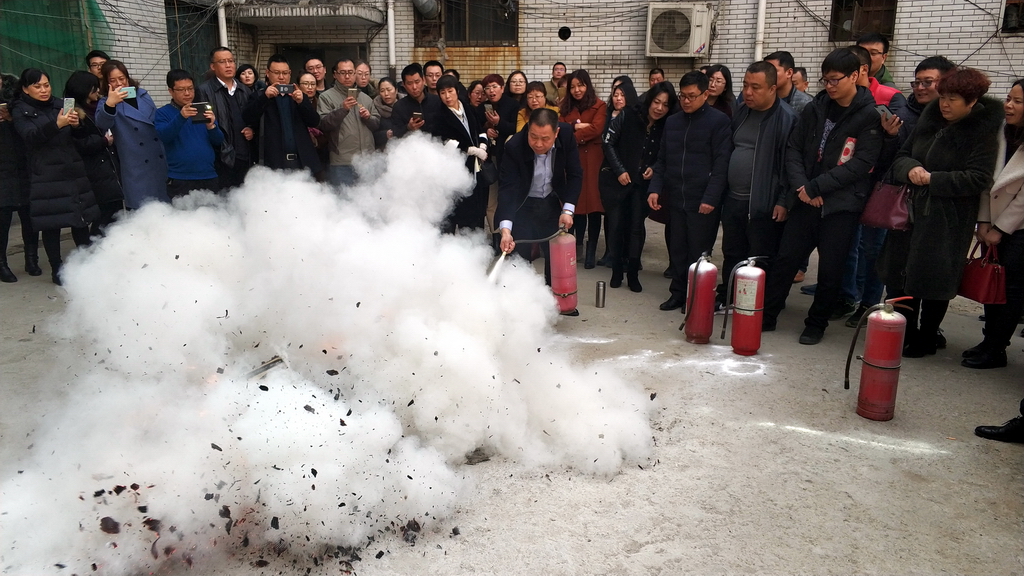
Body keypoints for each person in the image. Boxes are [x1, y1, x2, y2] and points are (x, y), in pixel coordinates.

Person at [760, 48, 883, 344]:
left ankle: (816, 324)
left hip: (840, 206)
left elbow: (861, 164)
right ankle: (768, 314)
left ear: (854, 76)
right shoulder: (816, 108)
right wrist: (803, 187)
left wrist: (817, 188)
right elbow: (794, 149)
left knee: (831, 269)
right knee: (786, 259)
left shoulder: (869, 114)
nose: (829, 85)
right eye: (825, 80)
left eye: (835, 79)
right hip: (805, 200)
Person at [877, 67, 1002, 357]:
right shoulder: (930, 118)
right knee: (900, 275)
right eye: (943, 97)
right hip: (909, 212)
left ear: (972, 101)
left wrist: (934, 179)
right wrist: (912, 169)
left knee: (935, 280)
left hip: (948, 218)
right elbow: (902, 156)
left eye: (953, 99)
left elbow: (979, 178)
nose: (944, 104)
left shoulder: (982, 131)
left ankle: (928, 335)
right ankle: (904, 331)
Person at [833, 45, 909, 324]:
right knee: (845, 245)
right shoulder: (839, 99)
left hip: (877, 185)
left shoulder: (891, 97)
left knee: (872, 248)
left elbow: (899, 140)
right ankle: (845, 297)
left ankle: (869, 303)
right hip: (846, 184)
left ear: (861, 71)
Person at [715, 61, 797, 308]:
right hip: (734, 199)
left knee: (759, 257)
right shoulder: (741, 112)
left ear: (772, 89)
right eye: (745, 85)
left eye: (756, 87)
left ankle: (754, 305)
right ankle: (729, 297)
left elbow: (790, 165)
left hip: (764, 203)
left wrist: (783, 201)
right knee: (732, 252)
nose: (748, 92)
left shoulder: (786, 119)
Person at [648, 71, 732, 311]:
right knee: (677, 250)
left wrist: (710, 198)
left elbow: (721, 164)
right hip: (676, 197)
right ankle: (677, 293)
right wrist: (655, 189)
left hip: (702, 200)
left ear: (705, 94)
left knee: (698, 253)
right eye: (682, 96)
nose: (686, 101)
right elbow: (662, 159)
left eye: (691, 96)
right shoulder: (673, 122)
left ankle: (695, 297)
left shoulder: (718, 122)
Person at [12, 68, 99, 285]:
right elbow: (30, 137)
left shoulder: (62, 104)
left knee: (80, 220)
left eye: (46, 85)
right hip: (46, 174)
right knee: (52, 224)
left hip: (72, 170)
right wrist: (57, 124)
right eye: (37, 86)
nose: (44, 90)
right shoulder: (20, 110)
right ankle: (57, 268)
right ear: (26, 89)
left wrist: (77, 125)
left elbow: (81, 137)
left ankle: (86, 265)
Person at [963, 79, 1024, 369]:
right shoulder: (1001, 132)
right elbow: (988, 181)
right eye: (1009, 98)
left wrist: (1000, 229)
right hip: (993, 223)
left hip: (1018, 227)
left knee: (1010, 289)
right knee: (992, 281)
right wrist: (985, 223)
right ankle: (988, 341)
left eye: (1018, 101)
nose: (1008, 105)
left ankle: (997, 347)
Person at [496, 108, 582, 297]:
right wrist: (506, 231)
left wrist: (568, 210)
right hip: (523, 205)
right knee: (519, 260)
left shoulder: (566, 135)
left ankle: (557, 301)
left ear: (556, 133)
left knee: (556, 257)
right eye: (533, 137)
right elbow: (508, 189)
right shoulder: (514, 146)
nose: (538, 144)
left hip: (551, 202)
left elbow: (575, 174)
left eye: (545, 139)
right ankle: (522, 302)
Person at [602, 79, 677, 292]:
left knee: (636, 228)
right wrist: (620, 170)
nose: (659, 108)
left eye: (665, 105)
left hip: (642, 183)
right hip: (618, 180)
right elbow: (608, 142)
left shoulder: (667, 125)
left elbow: (665, 154)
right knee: (616, 226)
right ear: (649, 100)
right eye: (656, 102)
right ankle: (617, 270)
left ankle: (633, 273)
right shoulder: (628, 115)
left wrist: (654, 167)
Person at [96, 60, 170, 209]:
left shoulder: (142, 95)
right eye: (113, 80)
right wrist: (110, 104)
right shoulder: (106, 102)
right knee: (142, 210)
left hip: (157, 158)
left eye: (122, 78)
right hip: (136, 165)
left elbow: (155, 120)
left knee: (165, 208)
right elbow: (102, 124)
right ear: (107, 83)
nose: (119, 83)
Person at [63, 70, 122, 236]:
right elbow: (78, 143)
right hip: (91, 172)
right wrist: (103, 141)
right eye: (93, 88)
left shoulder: (100, 106)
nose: (97, 91)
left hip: (108, 168)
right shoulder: (73, 112)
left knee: (114, 214)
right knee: (102, 218)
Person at [560, 69, 607, 269]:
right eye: (573, 87)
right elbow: (560, 129)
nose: (577, 90)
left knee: (594, 207)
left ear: (587, 86)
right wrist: (575, 126)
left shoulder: (600, 105)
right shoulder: (565, 107)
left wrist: (573, 133)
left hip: (594, 160)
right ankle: (575, 246)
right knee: (576, 205)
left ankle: (591, 251)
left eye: (580, 85)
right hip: (573, 160)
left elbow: (597, 129)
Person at [243, 54, 322, 174]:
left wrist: (302, 102)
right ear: (267, 73)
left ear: (290, 73)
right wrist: (265, 97)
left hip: (301, 162)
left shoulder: (298, 95)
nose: (281, 77)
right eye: (276, 73)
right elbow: (248, 118)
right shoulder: (259, 96)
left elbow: (314, 121)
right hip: (273, 163)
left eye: (285, 73)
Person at [154, 69, 224, 199]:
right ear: (171, 91)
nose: (187, 93)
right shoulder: (163, 113)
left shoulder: (202, 110)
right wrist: (181, 117)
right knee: (183, 212)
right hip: (181, 178)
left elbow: (218, 141)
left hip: (208, 175)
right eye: (181, 90)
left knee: (212, 211)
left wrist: (211, 126)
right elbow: (164, 136)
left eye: (190, 88)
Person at [433, 74, 489, 232]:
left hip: (476, 168)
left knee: (476, 211)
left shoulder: (468, 108)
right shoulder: (439, 116)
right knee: (458, 212)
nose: (447, 96)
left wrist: (483, 146)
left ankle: (476, 240)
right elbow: (443, 143)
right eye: (442, 93)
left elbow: (480, 130)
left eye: (450, 91)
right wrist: (471, 150)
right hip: (456, 171)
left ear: (457, 91)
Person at [0, 73, 40, 282]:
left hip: (23, 164)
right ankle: (1, 264)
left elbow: (31, 130)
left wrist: (12, 118)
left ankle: (31, 259)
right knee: (3, 219)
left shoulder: (16, 96)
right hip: (2, 169)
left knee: (29, 215)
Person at [317, 58, 380, 187]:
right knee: (344, 198)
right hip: (342, 161)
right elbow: (324, 124)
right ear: (335, 75)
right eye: (343, 73)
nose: (347, 76)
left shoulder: (365, 98)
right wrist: (343, 109)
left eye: (350, 72)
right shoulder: (326, 97)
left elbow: (376, 124)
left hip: (367, 160)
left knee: (368, 196)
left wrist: (368, 118)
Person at [198, 47, 254, 189]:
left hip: (244, 156)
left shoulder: (244, 90)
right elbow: (202, 127)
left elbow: (252, 117)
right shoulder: (203, 91)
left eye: (231, 61)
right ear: (213, 66)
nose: (228, 65)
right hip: (219, 158)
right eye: (222, 62)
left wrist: (251, 129)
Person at [901, 56, 956, 139]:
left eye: (927, 82)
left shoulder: (959, 114)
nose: (920, 88)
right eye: (917, 82)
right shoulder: (903, 117)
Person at [391, 63, 442, 138]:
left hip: (437, 143)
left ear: (423, 80)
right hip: (410, 144)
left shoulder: (437, 101)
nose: (414, 87)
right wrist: (408, 128)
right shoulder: (399, 107)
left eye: (417, 82)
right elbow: (395, 133)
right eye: (409, 83)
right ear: (404, 85)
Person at [298, 72, 329, 180]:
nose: (310, 87)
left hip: (321, 151)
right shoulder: (294, 102)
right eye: (306, 84)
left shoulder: (322, 101)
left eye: (313, 84)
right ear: (298, 86)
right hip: (302, 152)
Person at [372, 77, 401, 150]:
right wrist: (385, 134)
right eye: (382, 91)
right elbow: (370, 135)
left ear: (396, 90)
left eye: (389, 90)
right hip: (382, 151)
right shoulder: (374, 107)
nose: (386, 94)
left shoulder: (405, 105)